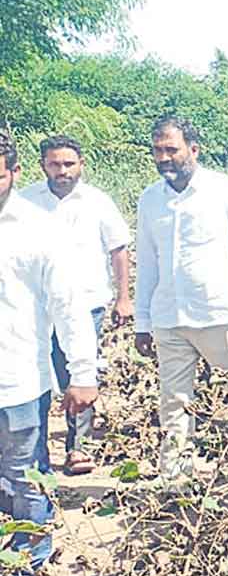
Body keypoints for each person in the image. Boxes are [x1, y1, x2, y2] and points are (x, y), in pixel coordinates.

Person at [134, 116, 228, 488]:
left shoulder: (226, 191)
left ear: (193, 150)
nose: (163, 157)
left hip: (221, 316)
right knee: (174, 403)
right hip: (170, 318)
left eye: (171, 149)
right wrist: (142, 322)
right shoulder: (150, 199)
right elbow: (147, 264)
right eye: (157, 150)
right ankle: (175, 484)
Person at [0, 131, 99, 576]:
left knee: (24, 476)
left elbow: (69, 306)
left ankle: (24, 564)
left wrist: (82, 372)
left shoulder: (38, 229)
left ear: (14, 174)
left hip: (18, 377)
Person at [20, 135, 131, 475]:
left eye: (69, 163)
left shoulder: (97, 202)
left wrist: (124, 297)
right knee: (37, 373)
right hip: (37, 306)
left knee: (79, 371)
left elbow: (119, 248)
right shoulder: (24, 203)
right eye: (55, 164)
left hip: (87, 302)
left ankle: (77, 448)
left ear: (81, 164)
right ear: (43, 165)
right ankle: (34, 454)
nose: (62, 170)